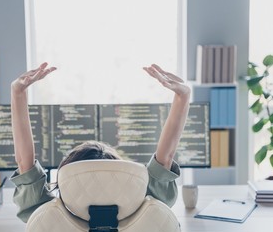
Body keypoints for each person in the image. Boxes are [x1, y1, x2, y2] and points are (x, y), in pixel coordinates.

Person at [10, 62, 191, 223]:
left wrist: (18, 93)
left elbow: (24, 163)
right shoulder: (147, 211)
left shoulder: (48, 217)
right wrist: (183, 97)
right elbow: (165, 158)